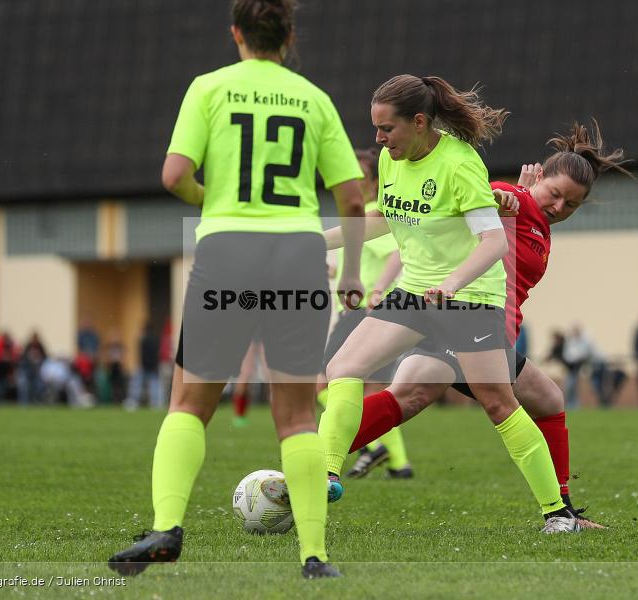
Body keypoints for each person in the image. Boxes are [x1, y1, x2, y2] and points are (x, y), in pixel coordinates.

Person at [108, 0, 365, 580]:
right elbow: (351, 199)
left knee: (189, 404)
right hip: (298, 257)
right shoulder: (314, 98)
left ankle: (166, 528)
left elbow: (174, 175)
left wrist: (214, 202)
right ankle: (314, 557)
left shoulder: (209, 88)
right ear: (289, 36)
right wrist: (350, 272)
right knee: (298, 416)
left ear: (236, 35)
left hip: (226, 254)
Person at [271, 74, 588, 534]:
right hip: (417, 292)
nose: (379, 139)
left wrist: (454, 284)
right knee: (343, 368)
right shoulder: (391, 158)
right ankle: (327, 472)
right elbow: (384, 216)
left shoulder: (459, 164)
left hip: (471, 299)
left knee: (499, 403)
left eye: (387, 129)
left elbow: (493, 243)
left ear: (419, 122)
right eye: (376, 129)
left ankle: (558, 516)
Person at [317, 147, 410, 480]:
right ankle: (398, 463)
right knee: (371, 390)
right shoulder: (363, 214)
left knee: (322, 383)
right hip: (366, 310)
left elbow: (396, 252)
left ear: (372, 181)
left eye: (359, 175)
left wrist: (376, 289)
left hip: (362, 311)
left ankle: (372, 446)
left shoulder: (371, 213)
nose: (352, 181)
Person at [124, 323, 163, 410]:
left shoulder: (143, 339)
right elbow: (157, 354)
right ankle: (156, 404)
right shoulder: (156, 339)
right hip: (154, 366)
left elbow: (141, 354)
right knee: (154, 387)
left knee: (136, 385)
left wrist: (140, 364)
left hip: (144, 366)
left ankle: (133, 402)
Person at [17, 331, 47, 405]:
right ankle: (24, 404)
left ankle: (34, 402)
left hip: (36, 371)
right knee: (25, 387)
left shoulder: (40, 346)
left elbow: (45, 358)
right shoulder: (28, 346)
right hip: (27, 371)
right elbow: (24, 359)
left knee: (37, 387)